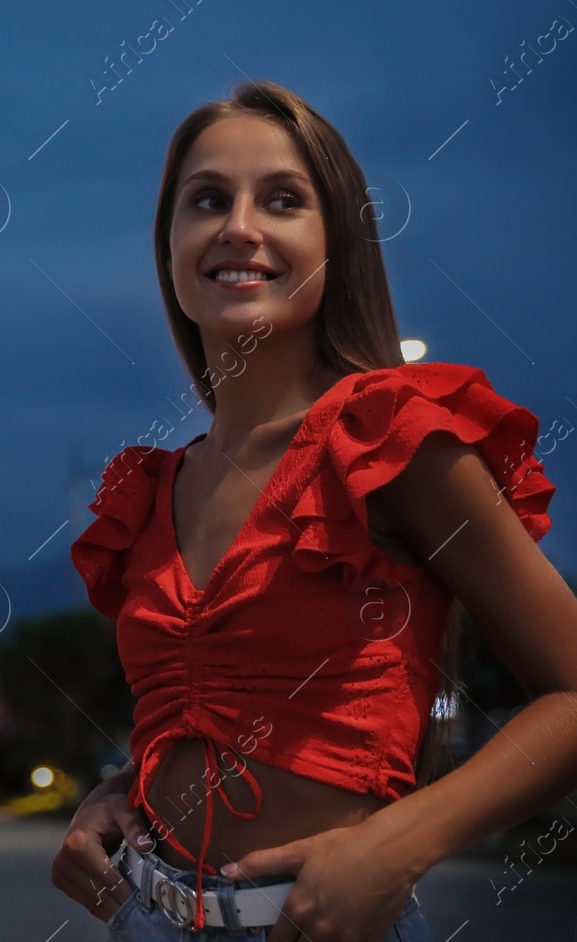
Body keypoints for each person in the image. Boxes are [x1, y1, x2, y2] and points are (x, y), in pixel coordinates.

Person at [52, 80, 577, 941]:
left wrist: (397, 844)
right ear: (171, 241)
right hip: (145, 919)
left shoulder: (389, 440)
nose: (239, 226)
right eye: (207, 199)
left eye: (284, 200)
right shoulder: (154, 486)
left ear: (338, 241)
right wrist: (118, 792)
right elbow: (196, 712)